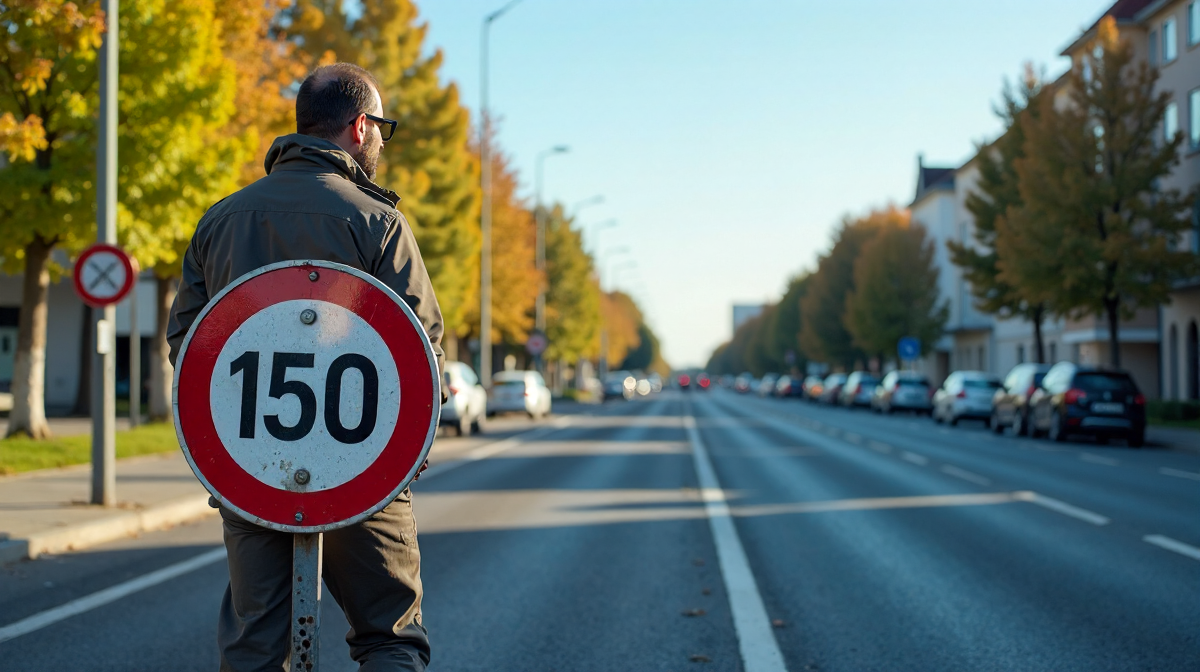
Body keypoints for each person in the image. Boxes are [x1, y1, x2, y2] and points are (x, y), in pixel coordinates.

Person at [167, 62, 442, 672]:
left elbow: (189, 347)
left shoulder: (220, 219)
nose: (380, 144)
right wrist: (403, 454)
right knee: (389, 637)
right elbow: (421, 352)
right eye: (382, 131)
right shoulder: (378, 222)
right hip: (361, 468)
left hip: (253, 470)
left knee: (256, 649)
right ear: (360, 126)